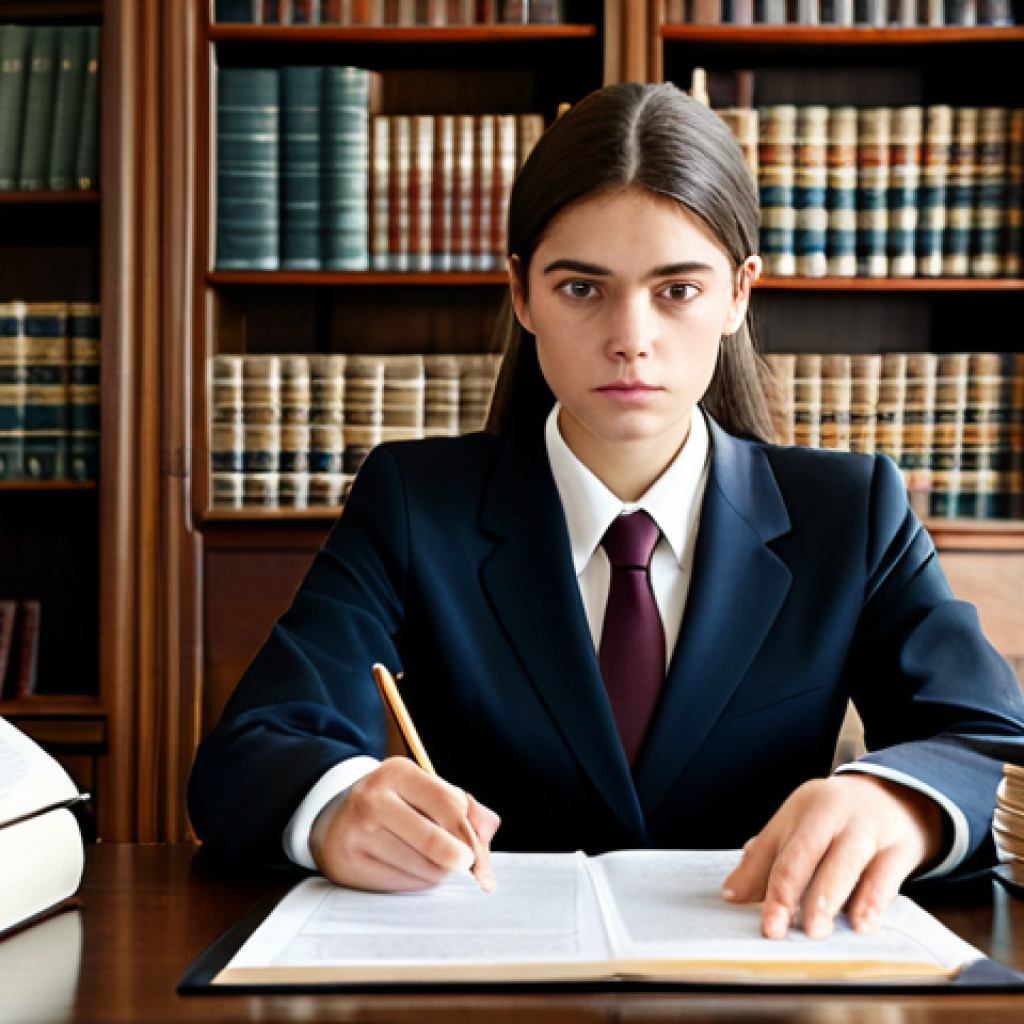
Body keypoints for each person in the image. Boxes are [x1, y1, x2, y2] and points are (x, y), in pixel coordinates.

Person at [188, 82, 1024, 941]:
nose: (631, 335)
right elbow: (250, 751)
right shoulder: (413, 503)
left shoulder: (851, 514)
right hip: (491, 972)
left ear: (739, 295)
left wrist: (897, 803)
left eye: (678, 290)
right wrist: (333, 807)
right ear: (521, 292)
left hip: (760, 971)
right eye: (583, 288)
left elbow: (994, 741)